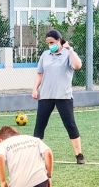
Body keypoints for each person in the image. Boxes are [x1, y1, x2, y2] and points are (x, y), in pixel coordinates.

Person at [33, 29, 85, 164]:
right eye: (48, 43)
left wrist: (70, 50)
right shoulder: (45, 55)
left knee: (70, 125)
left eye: (52, 42)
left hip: (64, 96)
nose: (50, 45)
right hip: (45, 95)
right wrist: (35, 89)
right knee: (39, 126)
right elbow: (40, 73)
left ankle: (79, 155)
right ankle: (35, 155)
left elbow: (78, 65)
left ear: (59, 41)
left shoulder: (68, 54)